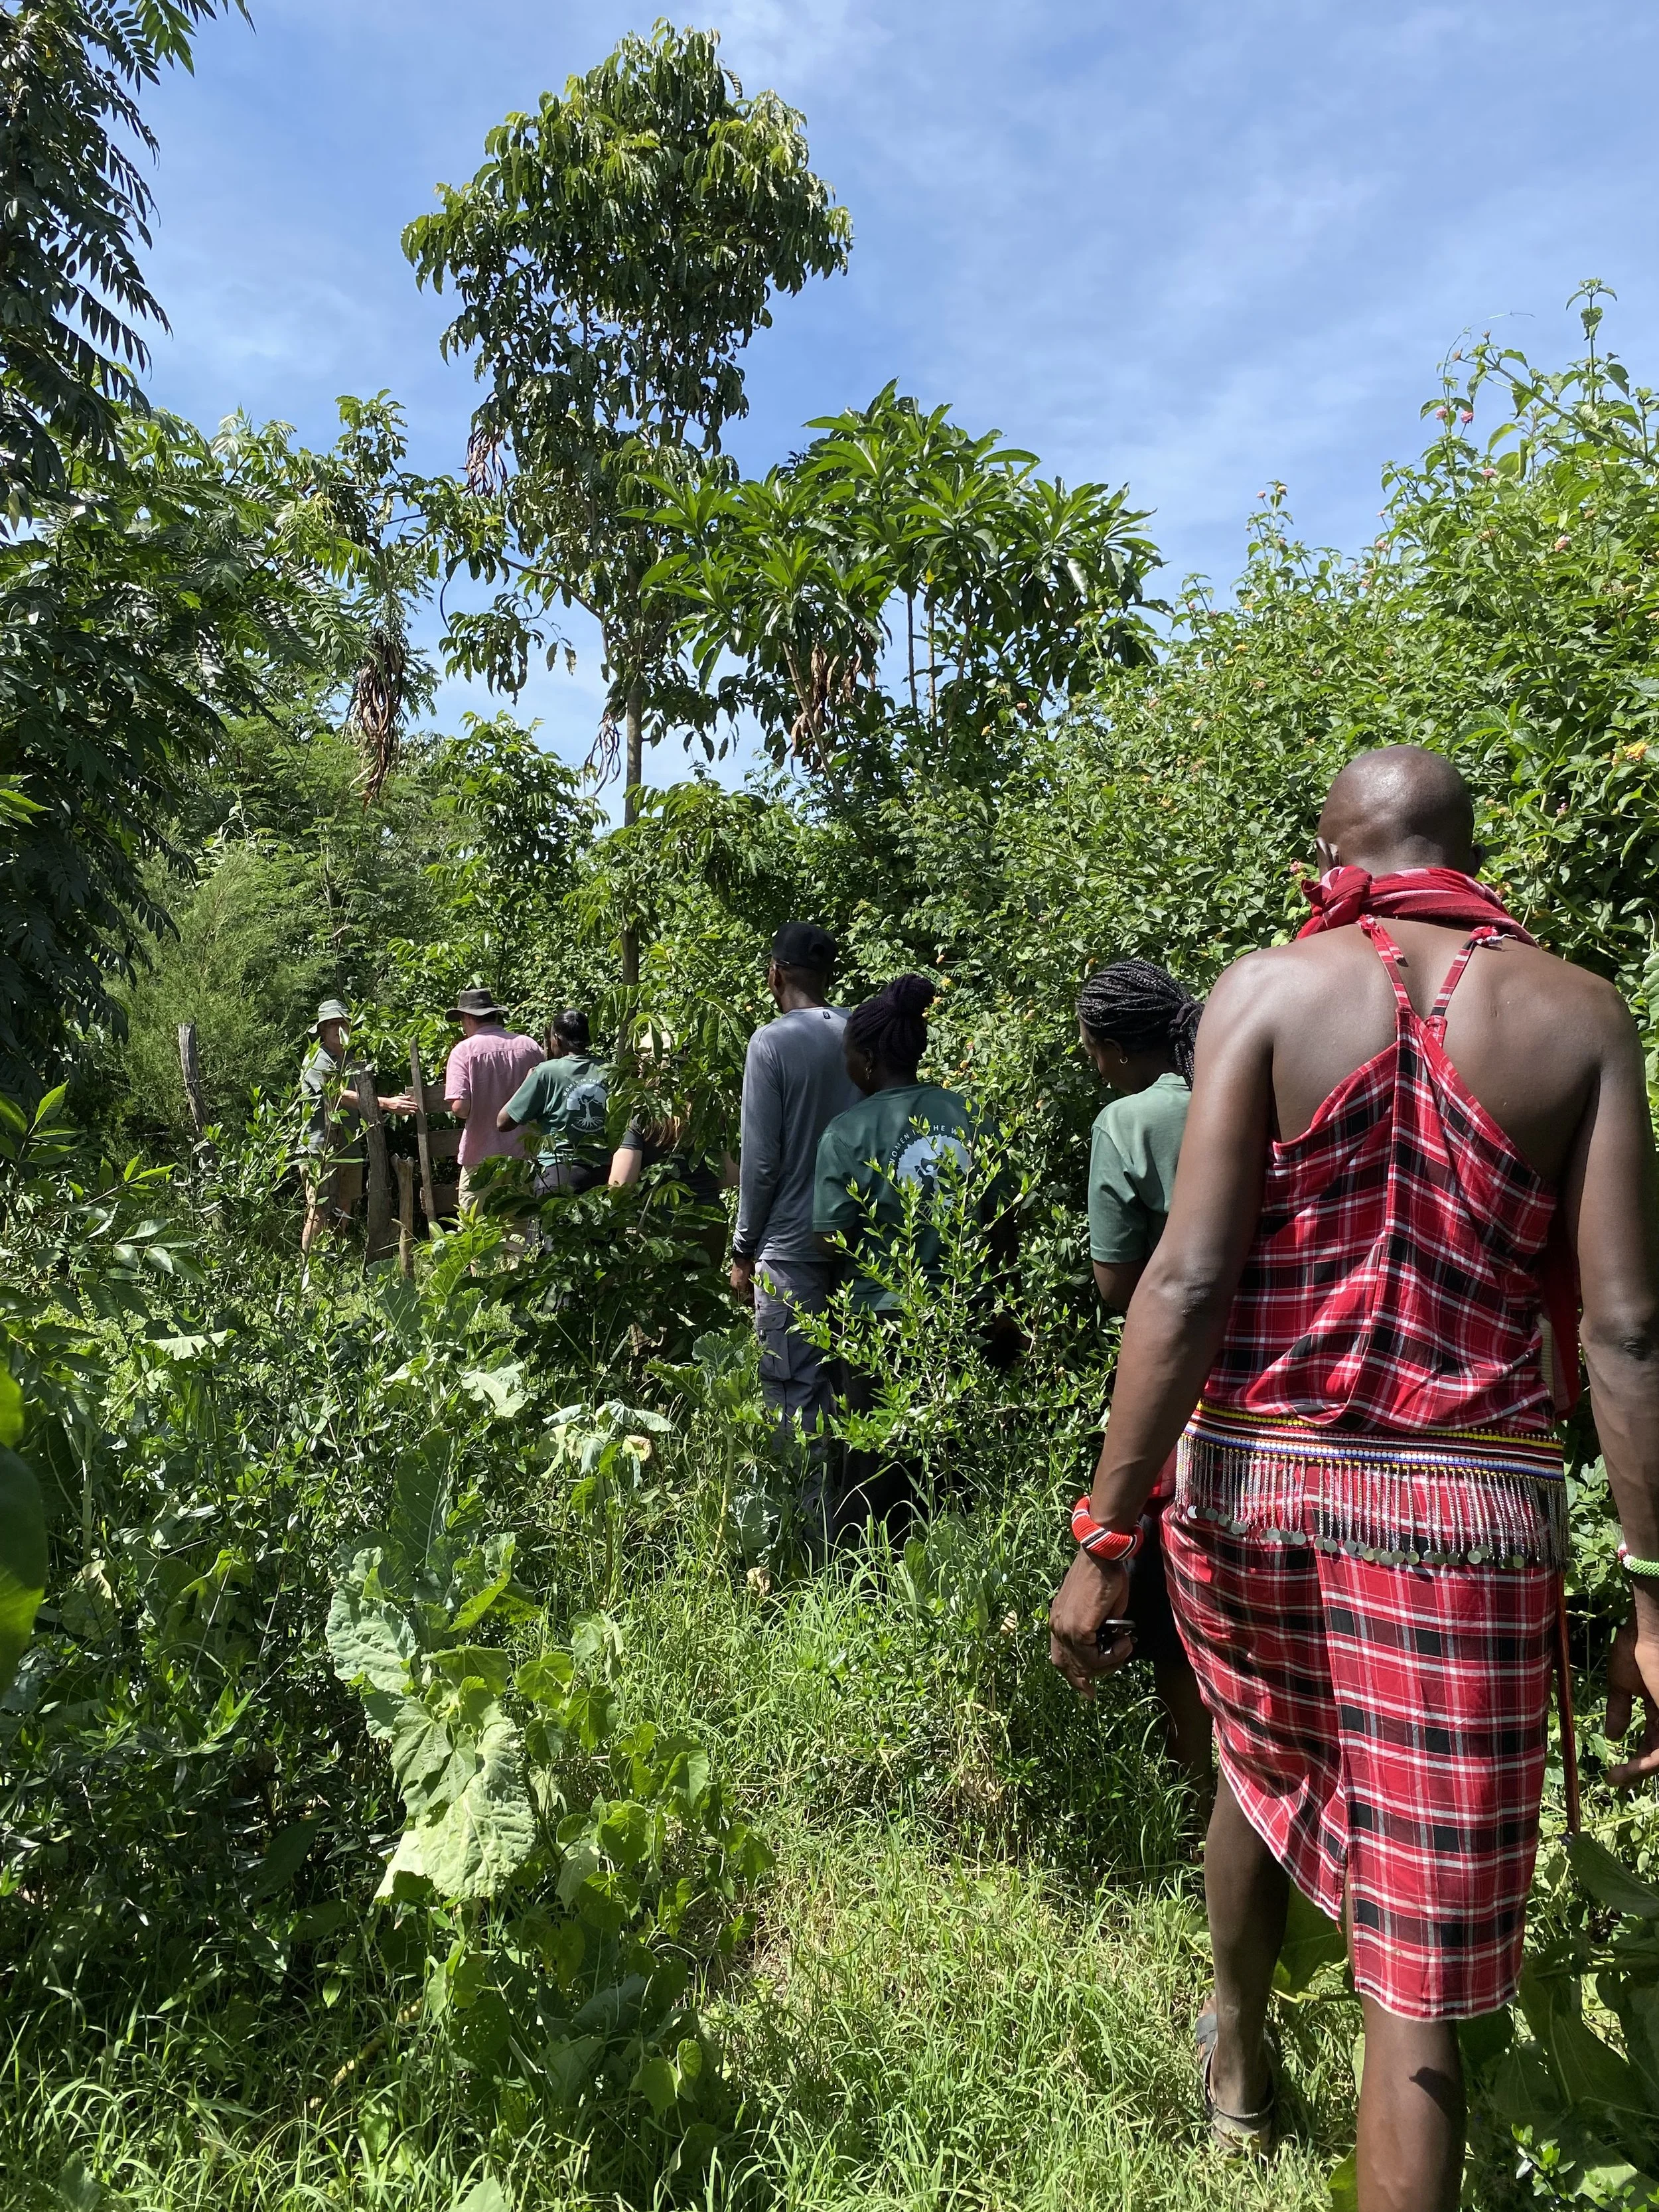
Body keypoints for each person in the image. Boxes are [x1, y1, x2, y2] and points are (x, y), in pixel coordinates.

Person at [1048, 747, 1659, 2205]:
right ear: (1465, 847)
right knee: (1421, 1956)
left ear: (1332, 851)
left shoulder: (1264, 987)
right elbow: (1626, 1324)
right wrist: (1648, 1586)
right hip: (1460, 1524)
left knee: (1263, 1772)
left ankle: (1238, 2053)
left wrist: (1101, 1533)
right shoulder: (1577, 1014)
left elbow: (1187, 1280)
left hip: (1247, 1494)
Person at [1076, 959, 1213, 1808]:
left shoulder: (1128, 1121)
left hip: (1183, 1396)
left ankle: (1201, 1798)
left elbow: (1119, 1286)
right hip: (1293, 1377)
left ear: (1114, 1050)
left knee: (1171, 1618)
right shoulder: (1252, 1091)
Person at [812, 972, 981, 1546]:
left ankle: (863, 1590)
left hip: (875, 1321)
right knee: (949, 1464)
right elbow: (1004, 1223)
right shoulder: (968, 1116)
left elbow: (829, 1238)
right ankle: (950, 1572)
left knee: (868, 1468)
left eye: (848, 1056)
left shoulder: (847, 1132)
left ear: (867, 1058)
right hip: (957, 1316)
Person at [730, 923, 860, 1510]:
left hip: (789, 1244)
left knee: (795, 1398)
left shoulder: (771, 1043)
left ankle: (807, 1550)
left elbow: (760, 1162)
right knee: (854, 1390)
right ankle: (863, 1524)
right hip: (861, 1241)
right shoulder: (860, 1031)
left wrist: (742, 1247)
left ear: (775, 974)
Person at [405, 986, 542, 1212]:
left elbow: (461, 1108)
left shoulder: (464, 1051)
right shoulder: (529, 1046)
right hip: (525, 1153)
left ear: (468, 1018)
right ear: (495, 1014)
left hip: (482, 1156)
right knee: (519, 1224)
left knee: (477, 1227)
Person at [498, 1009, 611, 1195]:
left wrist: (528, 1082)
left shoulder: (546, 1072)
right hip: (604, 1173)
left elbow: (503, 1122)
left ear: (556, 1038)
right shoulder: (608, 1070)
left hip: (558, 1172)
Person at [299, 998, 365, 1256]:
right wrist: (386, 1104)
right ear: (323, 1030)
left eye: (344, 1023)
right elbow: (337, 1094)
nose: (340, 1029)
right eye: (334, 1024)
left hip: (349, 1145)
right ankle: (307, 1267)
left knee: (345, 1205)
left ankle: (335, 1260)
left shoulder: (351, 1059)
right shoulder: (317, 1059)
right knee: (318, 1209)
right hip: (320, 1147)